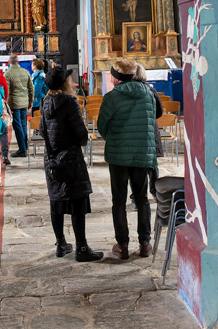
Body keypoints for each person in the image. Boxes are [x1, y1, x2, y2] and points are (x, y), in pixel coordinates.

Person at [40, 67, 104, 262]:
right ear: (64, 83)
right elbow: (81, 136)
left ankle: (61, 244)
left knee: (56, 199)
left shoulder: (45, 102)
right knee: (77, 201)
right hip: (70, 158)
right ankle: (81, 248)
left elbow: (42, 130)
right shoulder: (69, 102)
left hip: (52, 159)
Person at [97, 57, 157, 259]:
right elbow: (153, 118)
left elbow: (102, 126)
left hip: (119, 154)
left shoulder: (111, 97)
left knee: (119, 201)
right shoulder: (148, 93)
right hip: (142, 152)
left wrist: (115, 138)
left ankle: (122, 245)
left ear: (116, 77)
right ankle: (145, 243)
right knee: (142, 199)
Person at [133, 63, 165, 197]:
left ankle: (136, 195)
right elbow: (159, 112)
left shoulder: (128, 91)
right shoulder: (151, 90)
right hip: (150, 129)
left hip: (135, 130)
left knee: (136, 166)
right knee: (152, 164)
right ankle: (155, 191)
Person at [5, 54, 34, 158]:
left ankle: (22, 150)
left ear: (9, 62)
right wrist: (30, 100)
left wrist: (6, 105)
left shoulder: (8, 73)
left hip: (14, 102)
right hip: (24, 102)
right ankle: (24, 147)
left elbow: (7, 91)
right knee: (23, 125)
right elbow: (31, 88)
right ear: (18, 62)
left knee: (17, 126)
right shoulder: (25, 72)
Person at [0, 67, 12, 165]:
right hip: (2, 108)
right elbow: (6, 91)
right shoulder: (1, 78)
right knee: (4, 134)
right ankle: (5, 155)